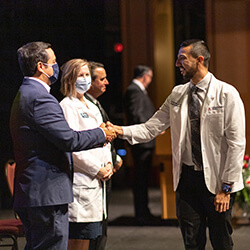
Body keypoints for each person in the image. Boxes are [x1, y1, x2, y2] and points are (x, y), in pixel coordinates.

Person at [113, 39, 245, 249]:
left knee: (221, 242)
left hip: (218, 181)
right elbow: (150, 128)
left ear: (199, 60)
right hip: (187, 180)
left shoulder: (227, 94)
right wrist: (119, 131)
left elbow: (237, 144)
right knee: (191, 242)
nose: (177, 64)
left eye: (182, 58)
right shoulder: (178, 93)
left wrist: (226, 189)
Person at [9, 42, 116, 250]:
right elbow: (69, 140)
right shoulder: (40, 98)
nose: (55, 66)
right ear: (41, 66)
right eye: (54, 62)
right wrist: (102, 133)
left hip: (38, 191)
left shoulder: (27, 93)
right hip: (45, 193)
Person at [59, 58, 114, 250]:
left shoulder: (92, 106)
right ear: (69, 79)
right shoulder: (67, 106)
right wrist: (96, 169)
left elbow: (104, 139)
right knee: (77, 241)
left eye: (87, 75)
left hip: (97, 182)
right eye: (80, 75)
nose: (85, 79)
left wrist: (108, 164)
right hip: (82, 180)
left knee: (90, 239)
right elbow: (71, 147)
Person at [85, 61, 123, 250]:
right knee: (91, 234)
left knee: (101, 230)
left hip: (104, 171)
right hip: (92, 175)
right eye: (102, 79)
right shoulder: (78, 106)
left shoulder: (96, 104)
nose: (107, 82)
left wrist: (113, 159)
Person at [123, 65, 156, 225]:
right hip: (142, 143)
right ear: (145, 76)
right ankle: (141, 213)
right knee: (140, 179)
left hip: (145, 142)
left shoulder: (138, 90)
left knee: (143, 178)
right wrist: (150, 129)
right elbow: (137, 115)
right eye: (150, 77)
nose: (150, 81)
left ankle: (144, 210)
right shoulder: (134, 91)